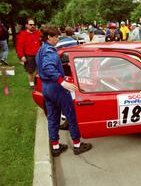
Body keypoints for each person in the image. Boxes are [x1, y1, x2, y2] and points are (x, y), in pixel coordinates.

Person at [36, 25, 92, 156]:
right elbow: (48, 68)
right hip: (56, 88)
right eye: (56, 36)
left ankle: (55, 147)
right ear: (49, 37)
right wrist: (63, 82)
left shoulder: (41, 50)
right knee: (71, 116)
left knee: (52, 118)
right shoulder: (50, 51)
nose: (58, 39)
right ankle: (77, 145)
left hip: (46, 88)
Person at [16, 18, 41, 89]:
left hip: (38, 55)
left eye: (33, 24)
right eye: (30, 24)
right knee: (30, 71)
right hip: (29, 56)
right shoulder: (22, 34)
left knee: (39, 70)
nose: (32, 26)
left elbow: (41, 42)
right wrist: (21, 56)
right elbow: (19, 47)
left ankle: (37, 82)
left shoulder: (37, 33)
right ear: (26, 25)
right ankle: (32, 85)